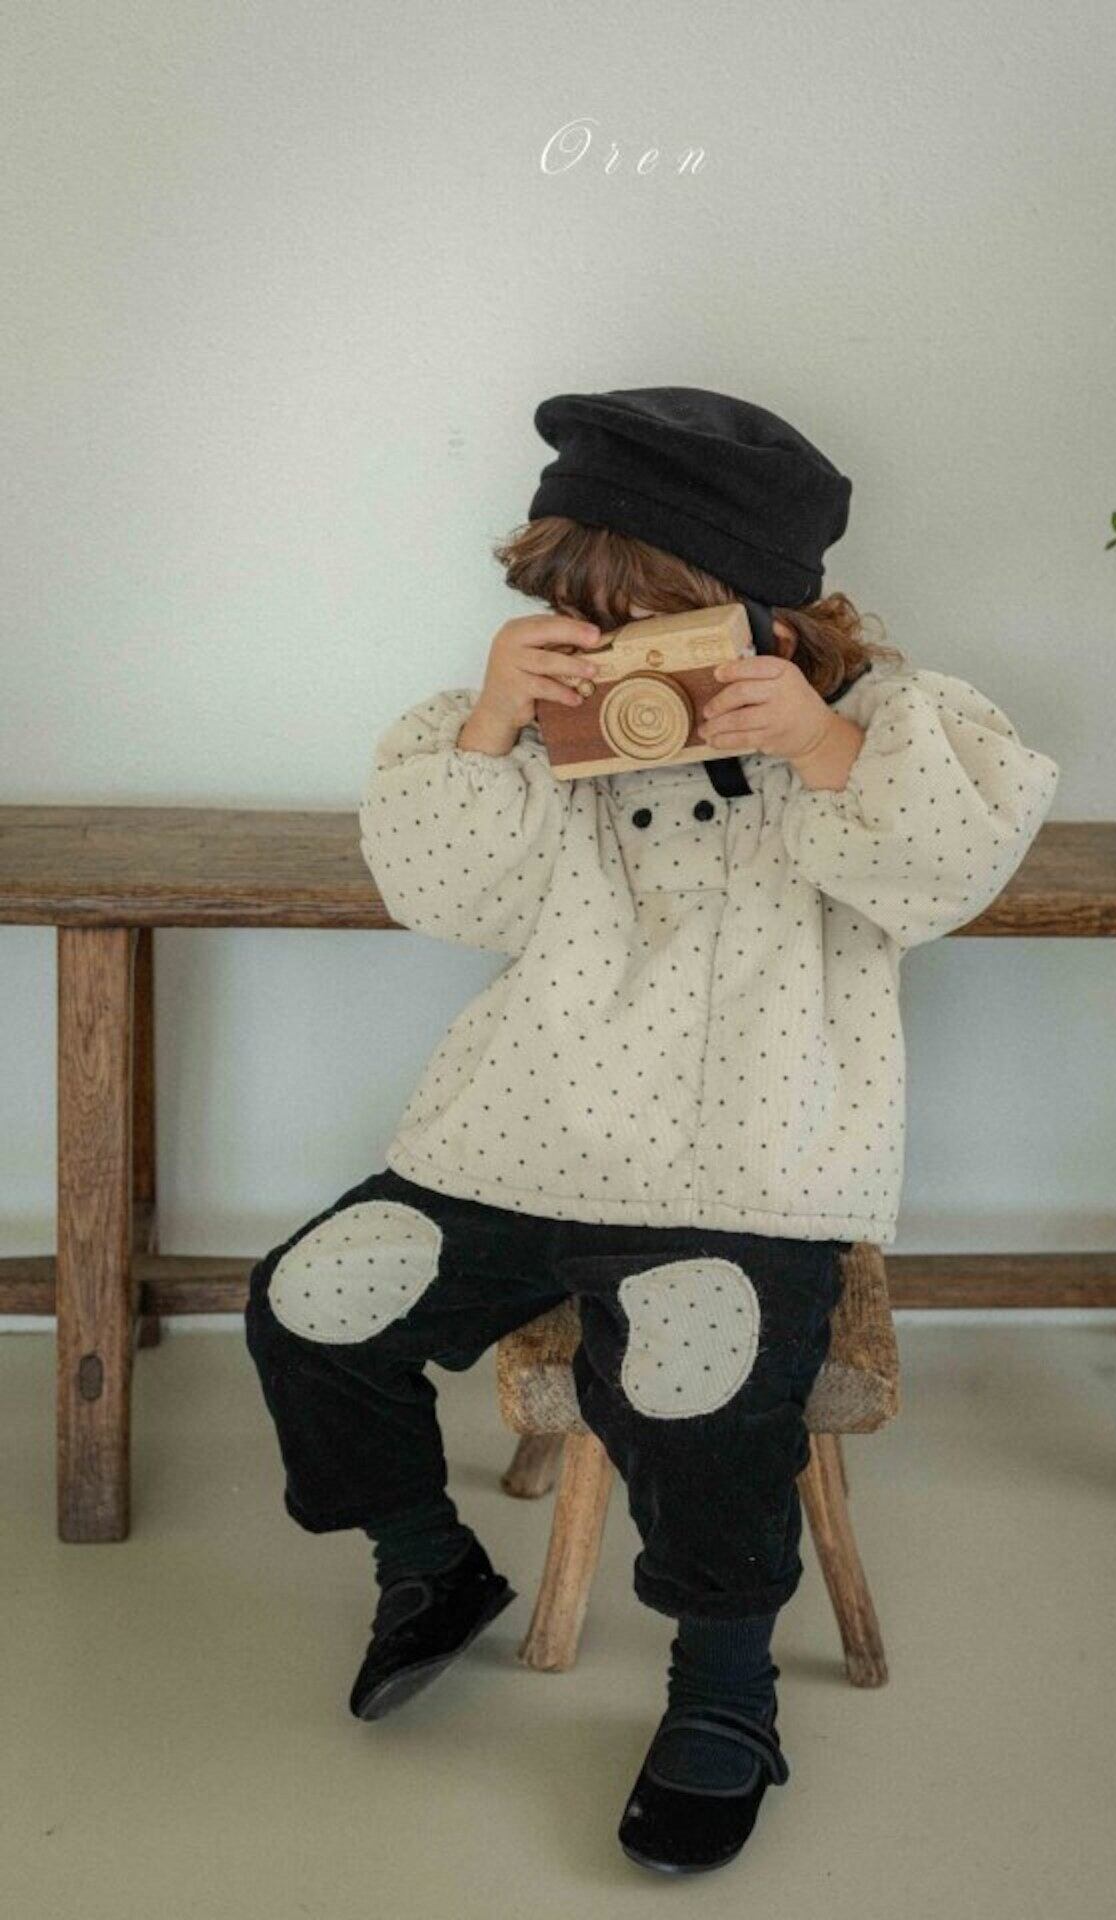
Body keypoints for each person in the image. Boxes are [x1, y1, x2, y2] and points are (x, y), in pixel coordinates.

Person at [243, 386, 1060, 1874]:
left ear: (749, 602)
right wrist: (493, 722)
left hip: (746, 1165)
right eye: (580, 610)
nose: (611, 647)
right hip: (519, 1131)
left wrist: (821, 745)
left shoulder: (892, 727)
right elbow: (449, 901)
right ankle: (426, 1563)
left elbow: (945, 878)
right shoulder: (540, 730)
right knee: (310, 1301)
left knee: (698, 1384)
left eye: (643, 616)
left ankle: (726, 1685)